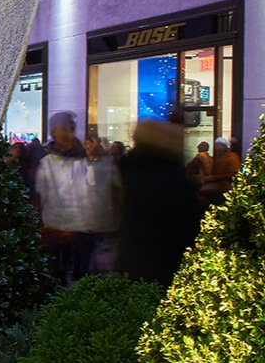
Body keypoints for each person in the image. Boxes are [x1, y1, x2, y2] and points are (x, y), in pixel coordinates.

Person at [117, 119, 202, 285]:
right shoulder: (168, 175)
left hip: (136, 250)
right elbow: (187, 219)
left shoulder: (132, 167)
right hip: (165, 254)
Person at [35, 111, 116, 284]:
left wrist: (96, 160)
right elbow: (40, 191)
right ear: (54, 132)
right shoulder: (46, 160)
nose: (69, 130)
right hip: (56, 226)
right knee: (58, 272)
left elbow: (98, 185)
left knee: (82, 272)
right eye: (65, 126)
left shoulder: (84, 157)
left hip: (83, 226)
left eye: (71, 126)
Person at [199, 137, 242, 206]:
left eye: (221, 145)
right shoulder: (216, 157)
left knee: (203, 190)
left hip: (226, 183)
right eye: (217, 145)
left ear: (226, 147)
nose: (218, 147)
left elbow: (234, 174)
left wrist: (213, 178)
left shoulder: (232, 157)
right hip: (215, 181)